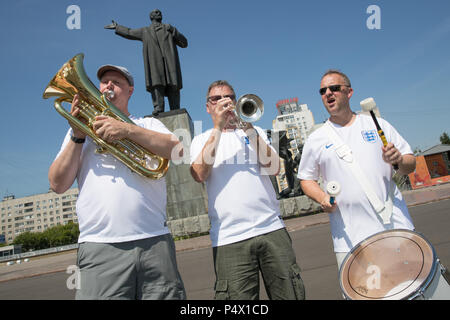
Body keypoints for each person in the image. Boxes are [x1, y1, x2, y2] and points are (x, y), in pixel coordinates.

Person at [48, 64, 186, 300]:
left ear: (130, 90)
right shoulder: (79, 130)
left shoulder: (147, 124)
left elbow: (178, 150)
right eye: (104, 82)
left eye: (117, 82)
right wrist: (77, 135)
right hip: (100, 246)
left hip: (154, 242)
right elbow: (57, 184)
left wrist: (127, 130)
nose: (109, 85)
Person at [189, 80, 305, 300]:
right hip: (229, 237)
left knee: (290, 293)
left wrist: (249, 128)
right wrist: (218, 128)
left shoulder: (256, 131)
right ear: (208, 107)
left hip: (271, 228)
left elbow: (274, 168)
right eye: (217, 99)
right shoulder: (201, 139)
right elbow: (199, 174)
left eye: (230, 97)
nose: (225, 102)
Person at [298, 70, 416, 270]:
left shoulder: (376, 124)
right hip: (349, 239)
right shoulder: (315, 139)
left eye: (334, 88)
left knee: (413, 286)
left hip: (396, 226)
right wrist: (322, 197)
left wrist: (398, 160)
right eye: (322, 90)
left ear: (349, 92)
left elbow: (410, 163)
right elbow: (306, 179)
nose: (328, 93)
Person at [105, 9, 188, 116]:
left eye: (159, 12)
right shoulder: (145, 31)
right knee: (157, 84)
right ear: (151, 17)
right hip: (155, 63)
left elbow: (184, 43)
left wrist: (173, 30)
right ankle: (158, 108)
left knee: (173, 84)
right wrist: (117, 27)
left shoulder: (169, 29)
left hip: (170, 63)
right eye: (155, 12)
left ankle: (175, 108)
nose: (158, 13)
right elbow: (130, 32)